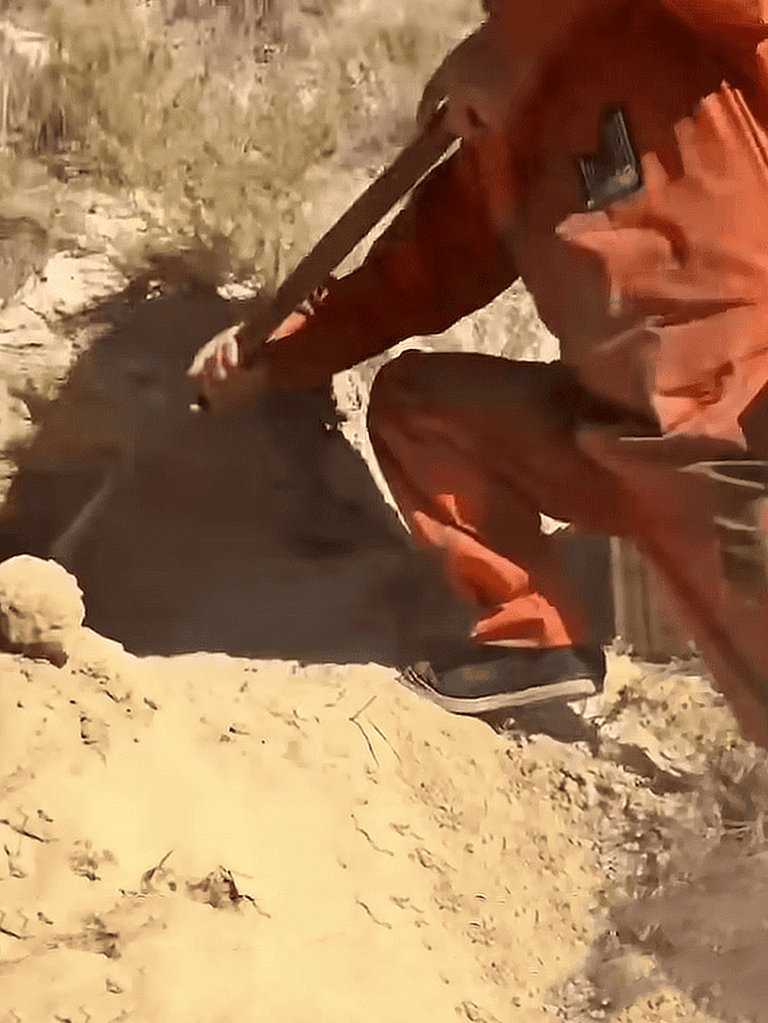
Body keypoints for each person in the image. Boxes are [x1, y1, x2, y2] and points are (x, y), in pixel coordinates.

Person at [188, 0, 768, 749]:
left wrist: (512, 45)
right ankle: (534, 640)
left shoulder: (702, 32)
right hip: (624, 448)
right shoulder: (507, 129)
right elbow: (407, 281)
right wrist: (269, 359)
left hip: (746, 433)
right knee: (419, 406)